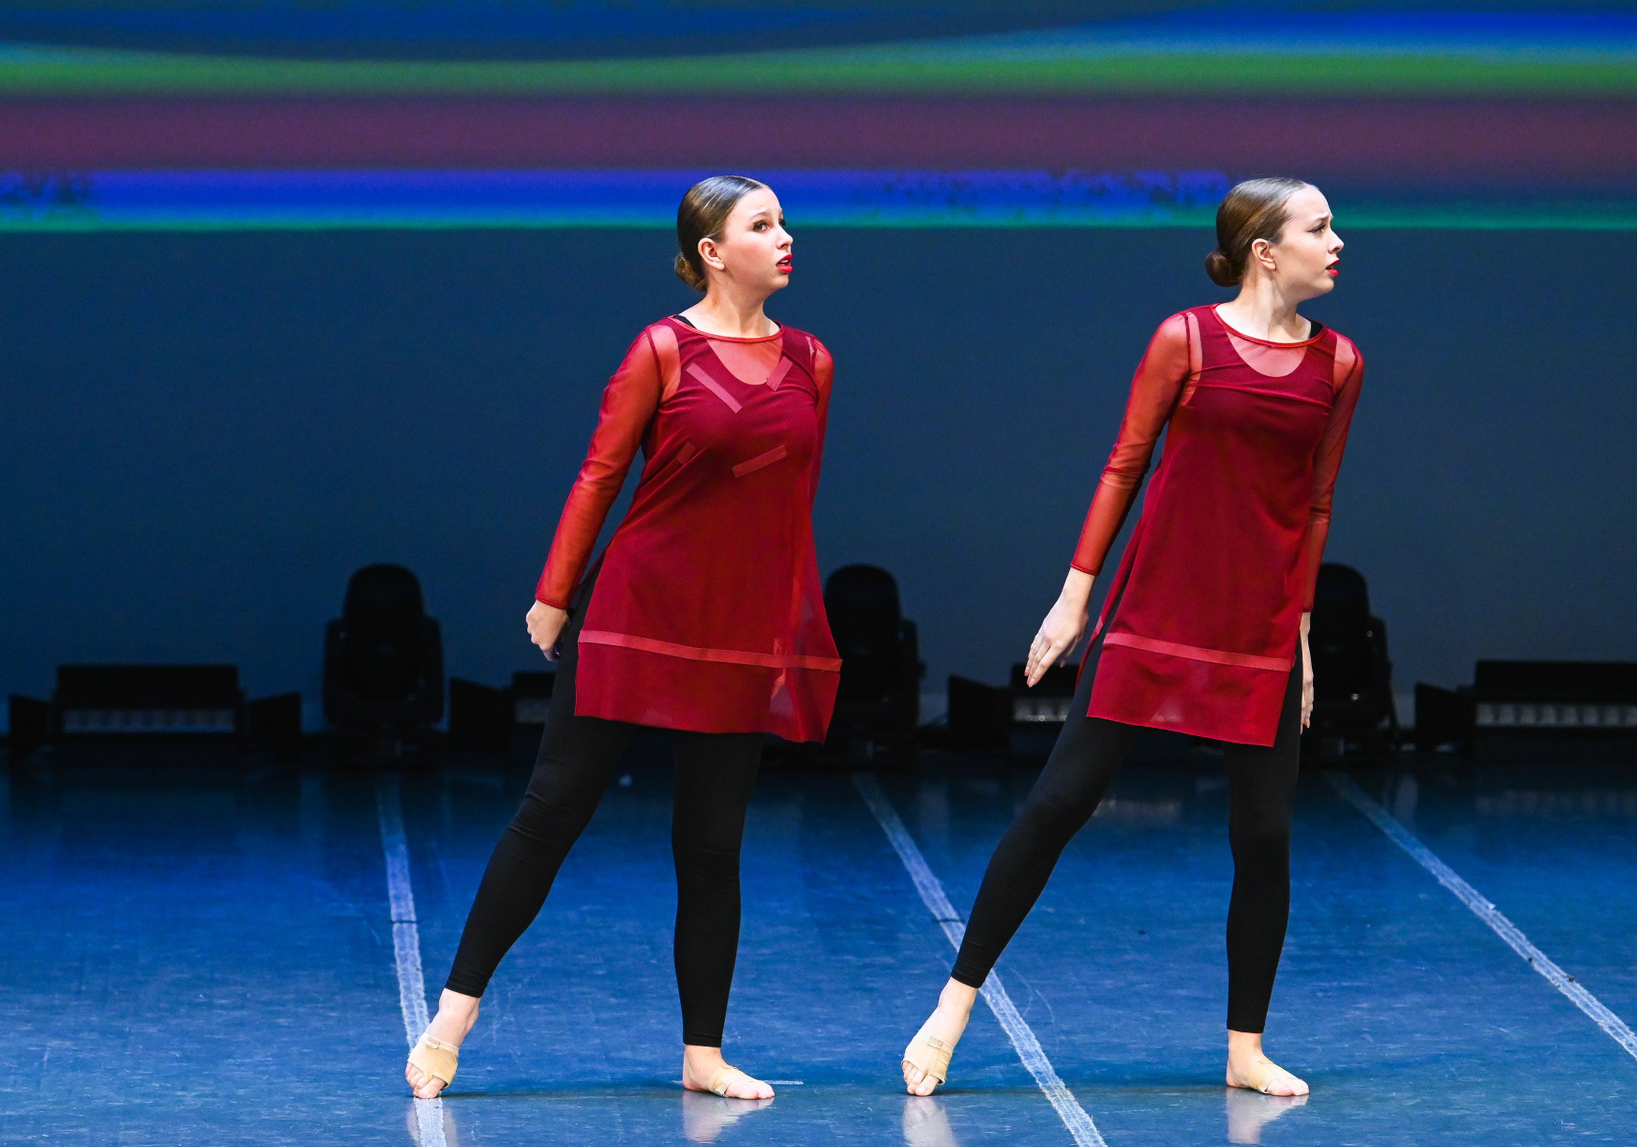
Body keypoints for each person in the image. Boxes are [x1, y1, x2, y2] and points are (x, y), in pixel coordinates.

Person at [900, 177, 1363, 1099]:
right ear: (1266, 250)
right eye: (1320, 228)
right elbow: (1125, 464)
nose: (1338, 241)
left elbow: (1316, 505)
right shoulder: (1185, 339)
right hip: (1156, 609)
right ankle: (950, 1009)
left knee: (1264, 835)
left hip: (1262, 623)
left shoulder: (1340, 362)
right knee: (1058, 803)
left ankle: (1244, 1048)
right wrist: (1075, 599)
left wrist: (1304, 634)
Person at [405, 175, 840, 1102]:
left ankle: (703, 1054)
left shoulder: (813, 360)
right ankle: (451, 1018)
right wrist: (555, 593)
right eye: (762, 225)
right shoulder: (663, 349)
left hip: (737, 626)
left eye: (784, 221)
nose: (786, 236)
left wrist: (788, 622)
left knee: (712, 844)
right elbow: (600, 474)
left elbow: (789, 507)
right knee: (553, 808)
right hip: (637, 610)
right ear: (712, 253)